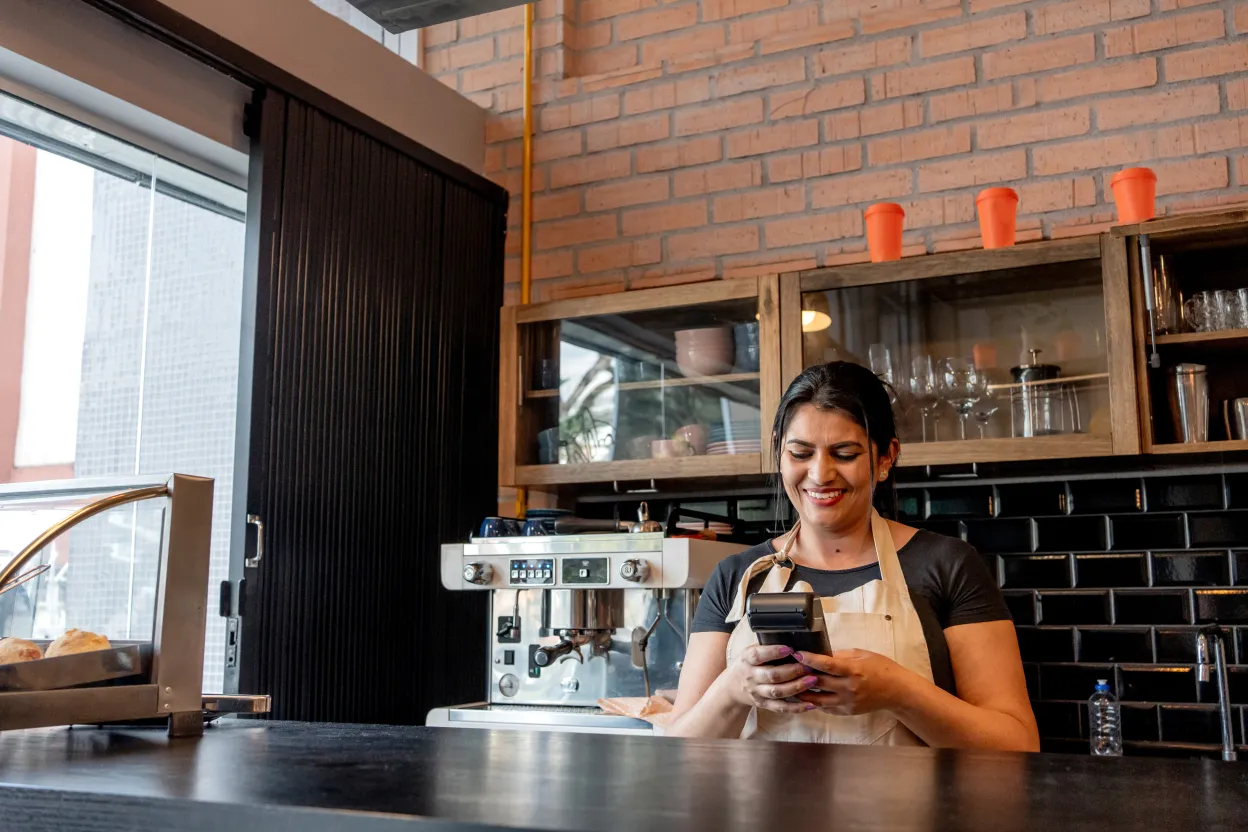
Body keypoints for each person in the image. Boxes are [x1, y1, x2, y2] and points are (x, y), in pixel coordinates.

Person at [666, 361, 1039, 750]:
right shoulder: (736, 576)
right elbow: (675, 753)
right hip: (761, 813)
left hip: (907, 813)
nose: (820, 474)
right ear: (779, 451)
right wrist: (731, 691)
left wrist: (900, 693)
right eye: (800, 453)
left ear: (885, 459)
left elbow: (1017, 743)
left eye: (844, 454)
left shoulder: (947, 564)